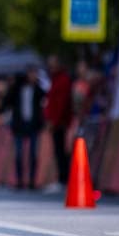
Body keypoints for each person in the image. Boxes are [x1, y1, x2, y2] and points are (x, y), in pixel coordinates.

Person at [3, 65, 45, 189]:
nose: (33, 76)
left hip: (33, 126)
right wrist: (13, 85)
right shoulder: (18, 88)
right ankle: (19, 181)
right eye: (31, 73)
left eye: (35, 74)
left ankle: (32, 181)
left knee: (33, 155)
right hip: (19, 126)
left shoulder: (37, 89)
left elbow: (44, 98)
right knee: (19, 155)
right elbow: (7, 101)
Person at [42, 55, 72, 193]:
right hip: (55, 121)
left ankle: (64, 180)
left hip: (60, 122)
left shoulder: (63, 80)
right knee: (58, 150)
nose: (51, 67)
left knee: (61, 150)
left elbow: (60, 103)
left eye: (53, 64)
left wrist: (54, 121)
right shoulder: (54, 79)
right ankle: (62, 178)